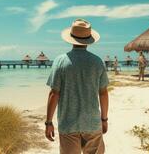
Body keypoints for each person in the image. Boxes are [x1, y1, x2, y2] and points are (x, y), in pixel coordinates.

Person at [45, 19, 109, 154]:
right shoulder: (98, 62)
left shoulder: (60, 61)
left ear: (71, 38)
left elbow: (54, 93)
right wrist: (104, 119)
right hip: (92, 124)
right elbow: (103, 93)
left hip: (68, 125)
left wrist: (48, 122)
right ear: (89, 40)